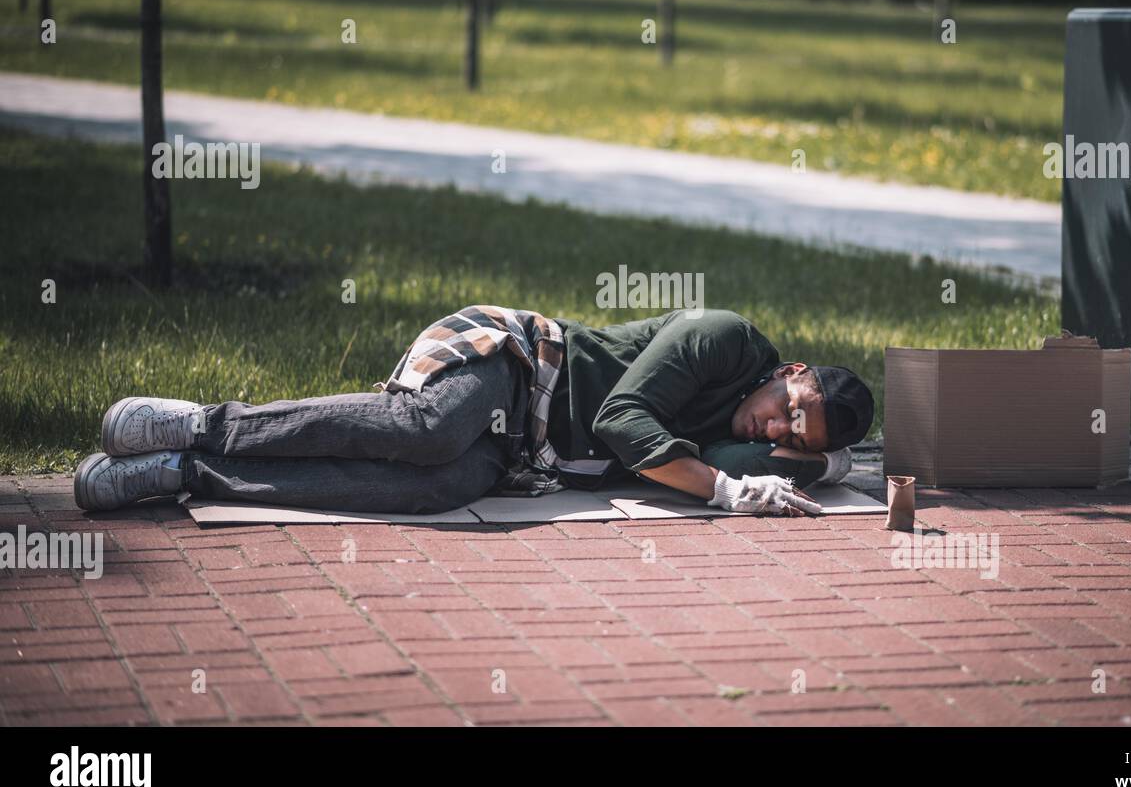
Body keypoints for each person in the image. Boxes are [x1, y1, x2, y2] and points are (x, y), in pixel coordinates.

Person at [74, 306, 874, 518]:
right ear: (789, 370)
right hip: (517, 361)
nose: (772, 431)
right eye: (785, 408)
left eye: (791, 437)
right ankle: (199, 423)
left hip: (523, 453)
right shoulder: (723, 338)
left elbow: (768, 466)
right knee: (427, 432)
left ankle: (187, 473)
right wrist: (730, 492)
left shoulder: (763, 435)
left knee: (429, 489)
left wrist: (824, 463)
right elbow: (622, 423)